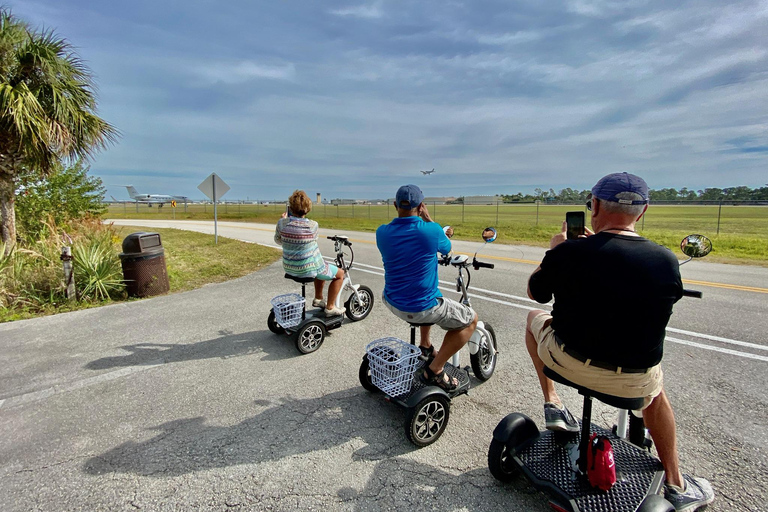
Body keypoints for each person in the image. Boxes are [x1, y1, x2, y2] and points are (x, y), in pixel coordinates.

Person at [524, 172, 714, 511]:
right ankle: (675, 482)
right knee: (657, 395)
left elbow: (536, 293)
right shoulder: (666, 261)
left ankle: (553, 402)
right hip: (631, 383)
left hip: (564, 362)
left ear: (594, 206)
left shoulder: (568, 252)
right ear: (642, 212)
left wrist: (554, 252)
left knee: (532, 320)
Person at [376, 184, 478, 391]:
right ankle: (435, 370)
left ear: (395, 205)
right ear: (421, 206)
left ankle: (425, 344)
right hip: (420, 308)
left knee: (433, 293)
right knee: (471, 321)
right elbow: (447, 247)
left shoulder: (382, 232)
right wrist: (429, 220)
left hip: (393, 302)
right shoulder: (430, 230)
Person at [274, 190, 345, 316]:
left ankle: (318, 299)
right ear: (307, 209)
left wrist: (284, 220)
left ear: (290, 208)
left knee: (321, 267)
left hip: (289, 267)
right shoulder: (313, 225)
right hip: (307, 269)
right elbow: (313, 241)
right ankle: (330, 307)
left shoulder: (282, 223)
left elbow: (278, 241)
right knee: (340, 274)